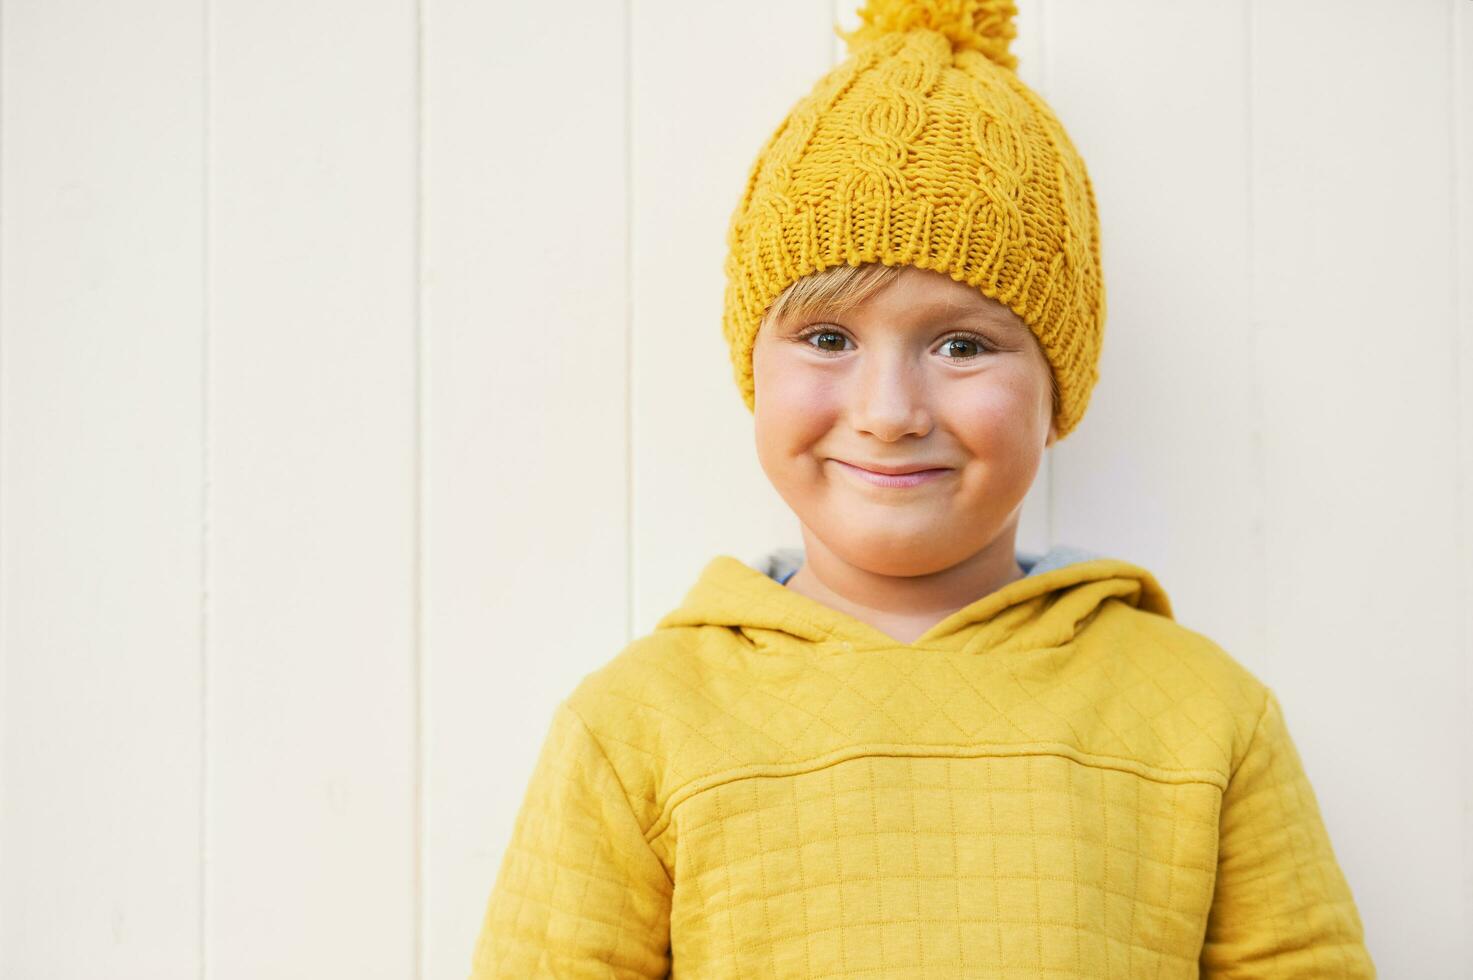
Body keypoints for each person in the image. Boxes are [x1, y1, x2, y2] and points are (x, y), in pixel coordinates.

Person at [468, 0, 1375, 976]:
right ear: (753, 369)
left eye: (961, 343)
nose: (889, 408)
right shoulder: (636, 723)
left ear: (1057, 387)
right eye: (828, 337)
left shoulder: (1204, 714)